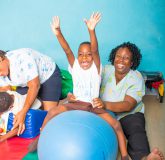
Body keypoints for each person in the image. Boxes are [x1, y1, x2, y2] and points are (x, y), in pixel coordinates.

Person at [29, 12, 129, 160]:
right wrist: (58, 33)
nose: (84, 58)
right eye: (81, 54)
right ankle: (42, 137)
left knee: (116, 125)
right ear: (77, 57)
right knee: (51, 113)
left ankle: (125, 155)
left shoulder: (96, 68)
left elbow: (95, 49)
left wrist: (91, 30)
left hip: (93, 106)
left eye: (88, 55)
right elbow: (67, 50)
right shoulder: (74, 66)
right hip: (75, 104)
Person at [94, 42, 164, 160]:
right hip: (104, 112)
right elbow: (93, 57)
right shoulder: (106, 70)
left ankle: (145, 157)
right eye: (118, 56)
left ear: (132, 63)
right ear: (113, 57)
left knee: (136, 131)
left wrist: (105, 104)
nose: (121, 60)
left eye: (126, 58)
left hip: (128, 114)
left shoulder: (136, 77)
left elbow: (128, 105)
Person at [0, 48, 61, 136]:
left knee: (47, 117)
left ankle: (63, 101)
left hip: (48, 76)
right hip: (25, 82)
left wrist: (23, 111)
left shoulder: (23, 58)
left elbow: (34, 86)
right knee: (22, 106)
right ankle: (41, 101)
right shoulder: (3, 69)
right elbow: (6, 88)